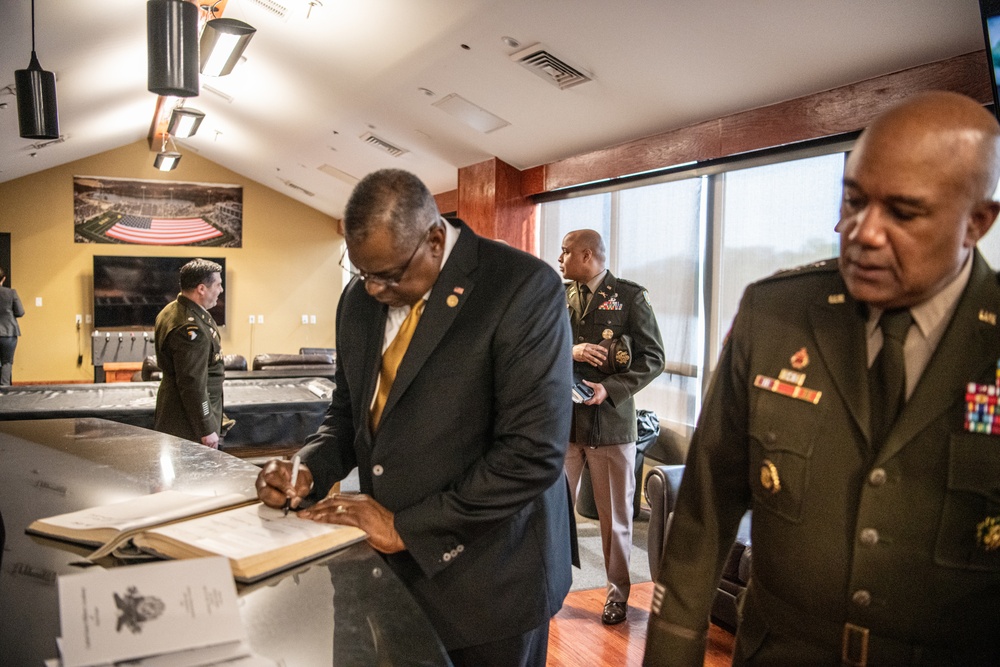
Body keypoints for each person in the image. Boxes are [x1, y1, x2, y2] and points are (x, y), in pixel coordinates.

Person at [644, 90, 1000, 666]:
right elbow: (705, 512)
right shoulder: (775, 316)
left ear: (977, 223)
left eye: (903, 212)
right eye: (854, 202)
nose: (863, 232)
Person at [255, 169, 575, 666]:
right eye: (363, 273)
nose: (375, 289)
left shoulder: (521, 288)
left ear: (433, 239)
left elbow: (531, 454)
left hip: (492, 581)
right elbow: (348, 412)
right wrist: (310, 467)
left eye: (389, 275)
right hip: (389, 575)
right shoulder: (357, 300)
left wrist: (407, 528)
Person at [558, 229, 664, 625]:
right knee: (554, 512)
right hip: (565, 425)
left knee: (616, 520)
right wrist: (573, 350)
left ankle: (617, 595)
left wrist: (610, 388)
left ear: (587, 256)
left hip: (611, 425)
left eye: (566, 252)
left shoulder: (631, 296)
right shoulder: (563, 295)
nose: (559, 258)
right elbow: (546, 345)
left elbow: (654, 357)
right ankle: (553, 586)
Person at [153, 258, 226, 449]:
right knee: (194, 476)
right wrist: (206, 427)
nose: (221, 290)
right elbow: (192, 383)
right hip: (187, 423)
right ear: (201, 289)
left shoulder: (173, 309)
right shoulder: (191, 328)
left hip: (179, 413)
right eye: (218, 285)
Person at [0, 268, 25, 387]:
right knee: (7, 362)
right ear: (3, 279)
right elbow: (20, 312)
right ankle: (4, 390)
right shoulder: (11, 293)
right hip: (8, 332)